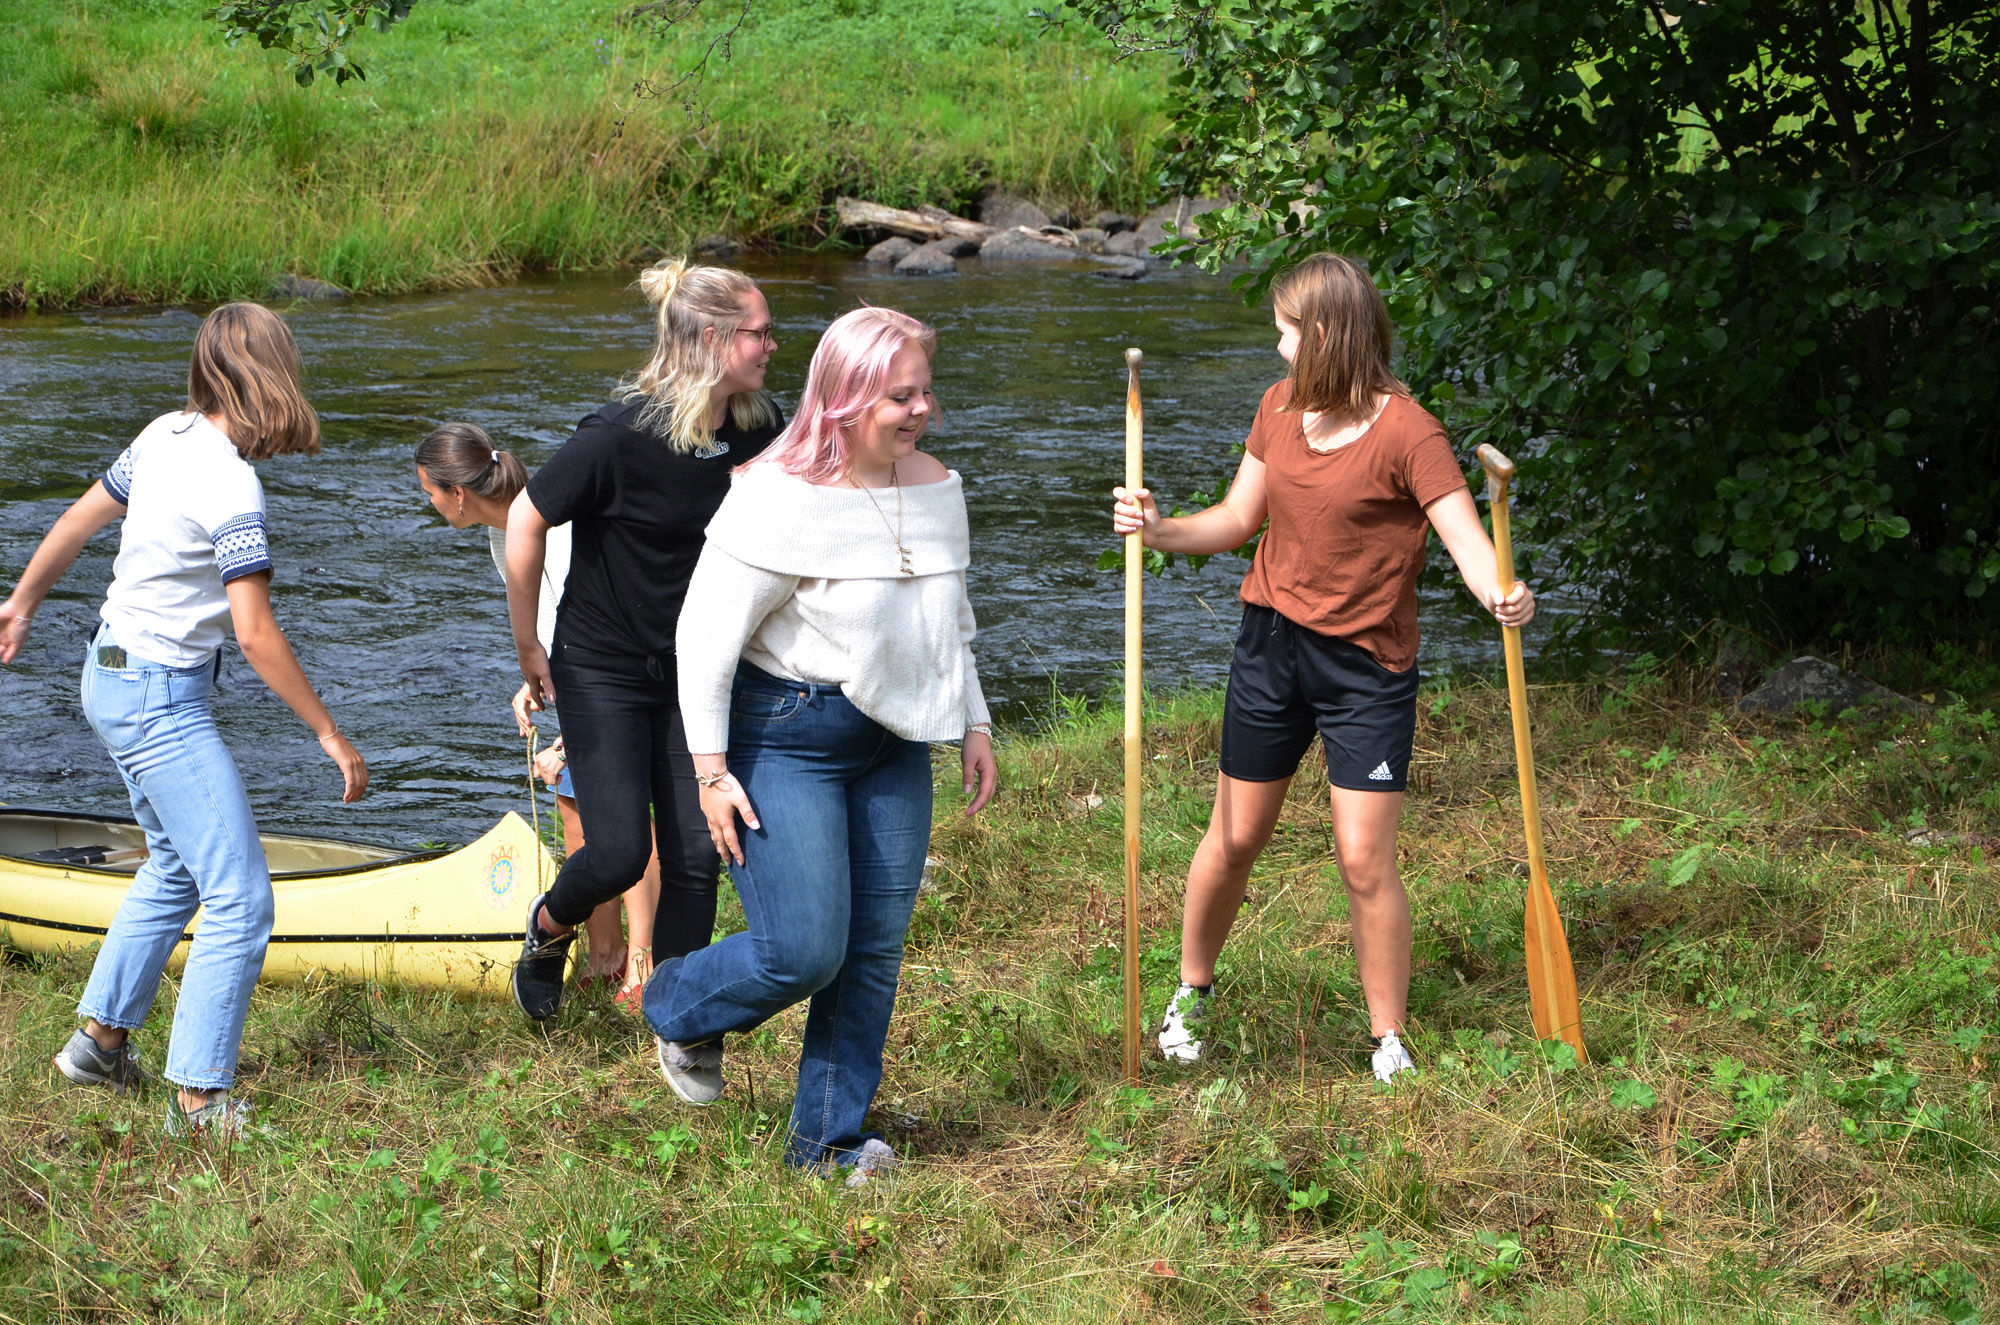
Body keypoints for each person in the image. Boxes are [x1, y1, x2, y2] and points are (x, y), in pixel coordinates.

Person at [1110, 252, 1535, 1082]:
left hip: (1365, 669)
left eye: (1286, 333)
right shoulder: (1280, 407)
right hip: (1271, 648)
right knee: (1233, 836)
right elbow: (1238, 518)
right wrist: (1158, 530)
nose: (1277, 351)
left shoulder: (1410, 433)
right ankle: (1190, 995)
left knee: (1364, 857)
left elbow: (1472, 551)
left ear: (1331, 334)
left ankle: (1388, 1040)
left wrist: (1506, 597)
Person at [643, 305, 998, 1184]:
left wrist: (975, 719)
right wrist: (710, 772)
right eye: (896, 395)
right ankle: (677, 1005)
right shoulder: (776, 497)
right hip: (784, 734)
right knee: (802, 948)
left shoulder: (934, 483)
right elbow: (704, 640)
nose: (918, 409)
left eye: (923, 391)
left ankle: (825, 1143)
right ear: (843, 397)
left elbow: (948, 619)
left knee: (872, 949)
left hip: (894, 738)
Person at [0, 302, 368, 1136]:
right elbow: (255, 631)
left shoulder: (163, 434)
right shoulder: (233, 483)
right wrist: (327, 729)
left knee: (174, 865)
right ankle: (201, 1098)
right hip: (159, 699)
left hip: (110, 673)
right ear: (269, 374)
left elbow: (75, 519)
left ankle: (97, 1043)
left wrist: (21, 603)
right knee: (240, 894)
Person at [504, 258, 785, 1024]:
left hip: (699, 668)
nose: (772, 346)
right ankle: (547, 927)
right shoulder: (618, 433)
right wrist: (528, 643)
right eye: (760, 333)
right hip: (603, 665)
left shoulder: (761, 425)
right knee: (622, 848)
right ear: (712, 339)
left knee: (698, 854)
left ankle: (678, 1019)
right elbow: (527, 518)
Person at [414, 422, 658, 1007]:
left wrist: (569, 740)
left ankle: (645, 964)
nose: (427, 501)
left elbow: (601, 631)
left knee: (627, 828)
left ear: (458, 493)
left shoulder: (559, 528)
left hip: (622, 677)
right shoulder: (502, 536)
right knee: (576, 809)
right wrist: (534, 681)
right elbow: (548, 628)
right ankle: (604, 955)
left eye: (428, 490)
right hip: (578, 679)